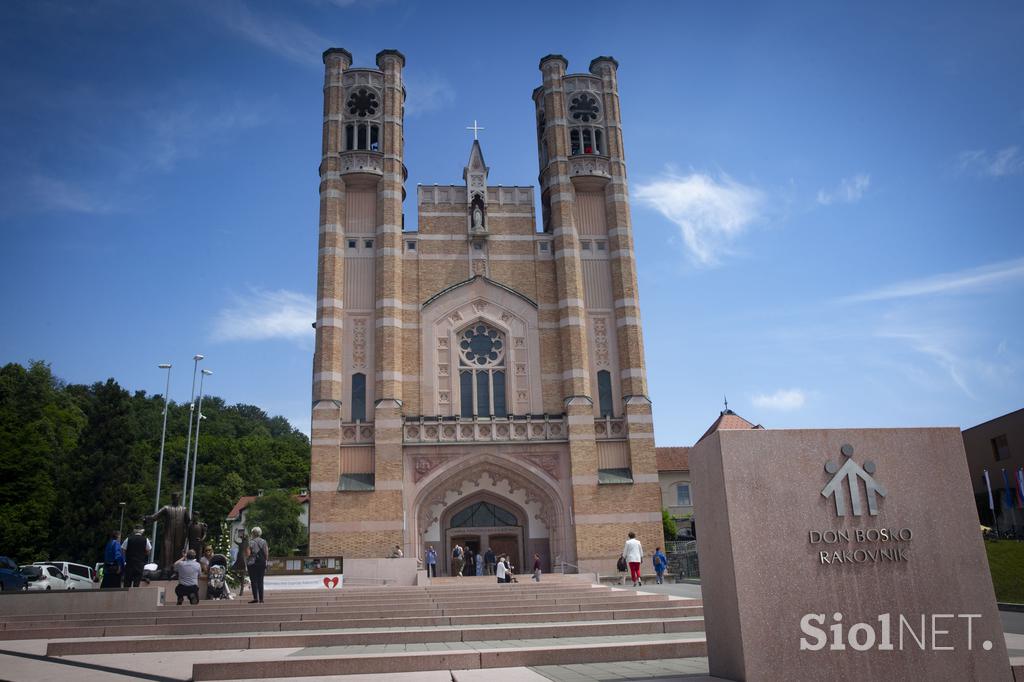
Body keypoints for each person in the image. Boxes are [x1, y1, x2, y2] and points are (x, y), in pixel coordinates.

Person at [144, 492, 189, 576]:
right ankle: (165, 570)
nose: (176, 499)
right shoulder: (166, 508)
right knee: (166, 551)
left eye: (178, 498)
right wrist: (147, 518)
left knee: (178, 552)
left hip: (179, 536)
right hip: (168, 535)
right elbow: (155, 516)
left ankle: (176, 571)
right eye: (175, 498)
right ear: (172, 498)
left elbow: (188, 522)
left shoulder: (183, 509)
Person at [246, 526, 269, 604]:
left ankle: (255, 598)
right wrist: (265, 561)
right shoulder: (264, 541)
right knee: (260, 581)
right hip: (261, 563)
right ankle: (261, 599)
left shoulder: (250, 542)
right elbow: (266, 553)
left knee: (253, 581)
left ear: (253, 533)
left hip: (252, 563)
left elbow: (248, 554)